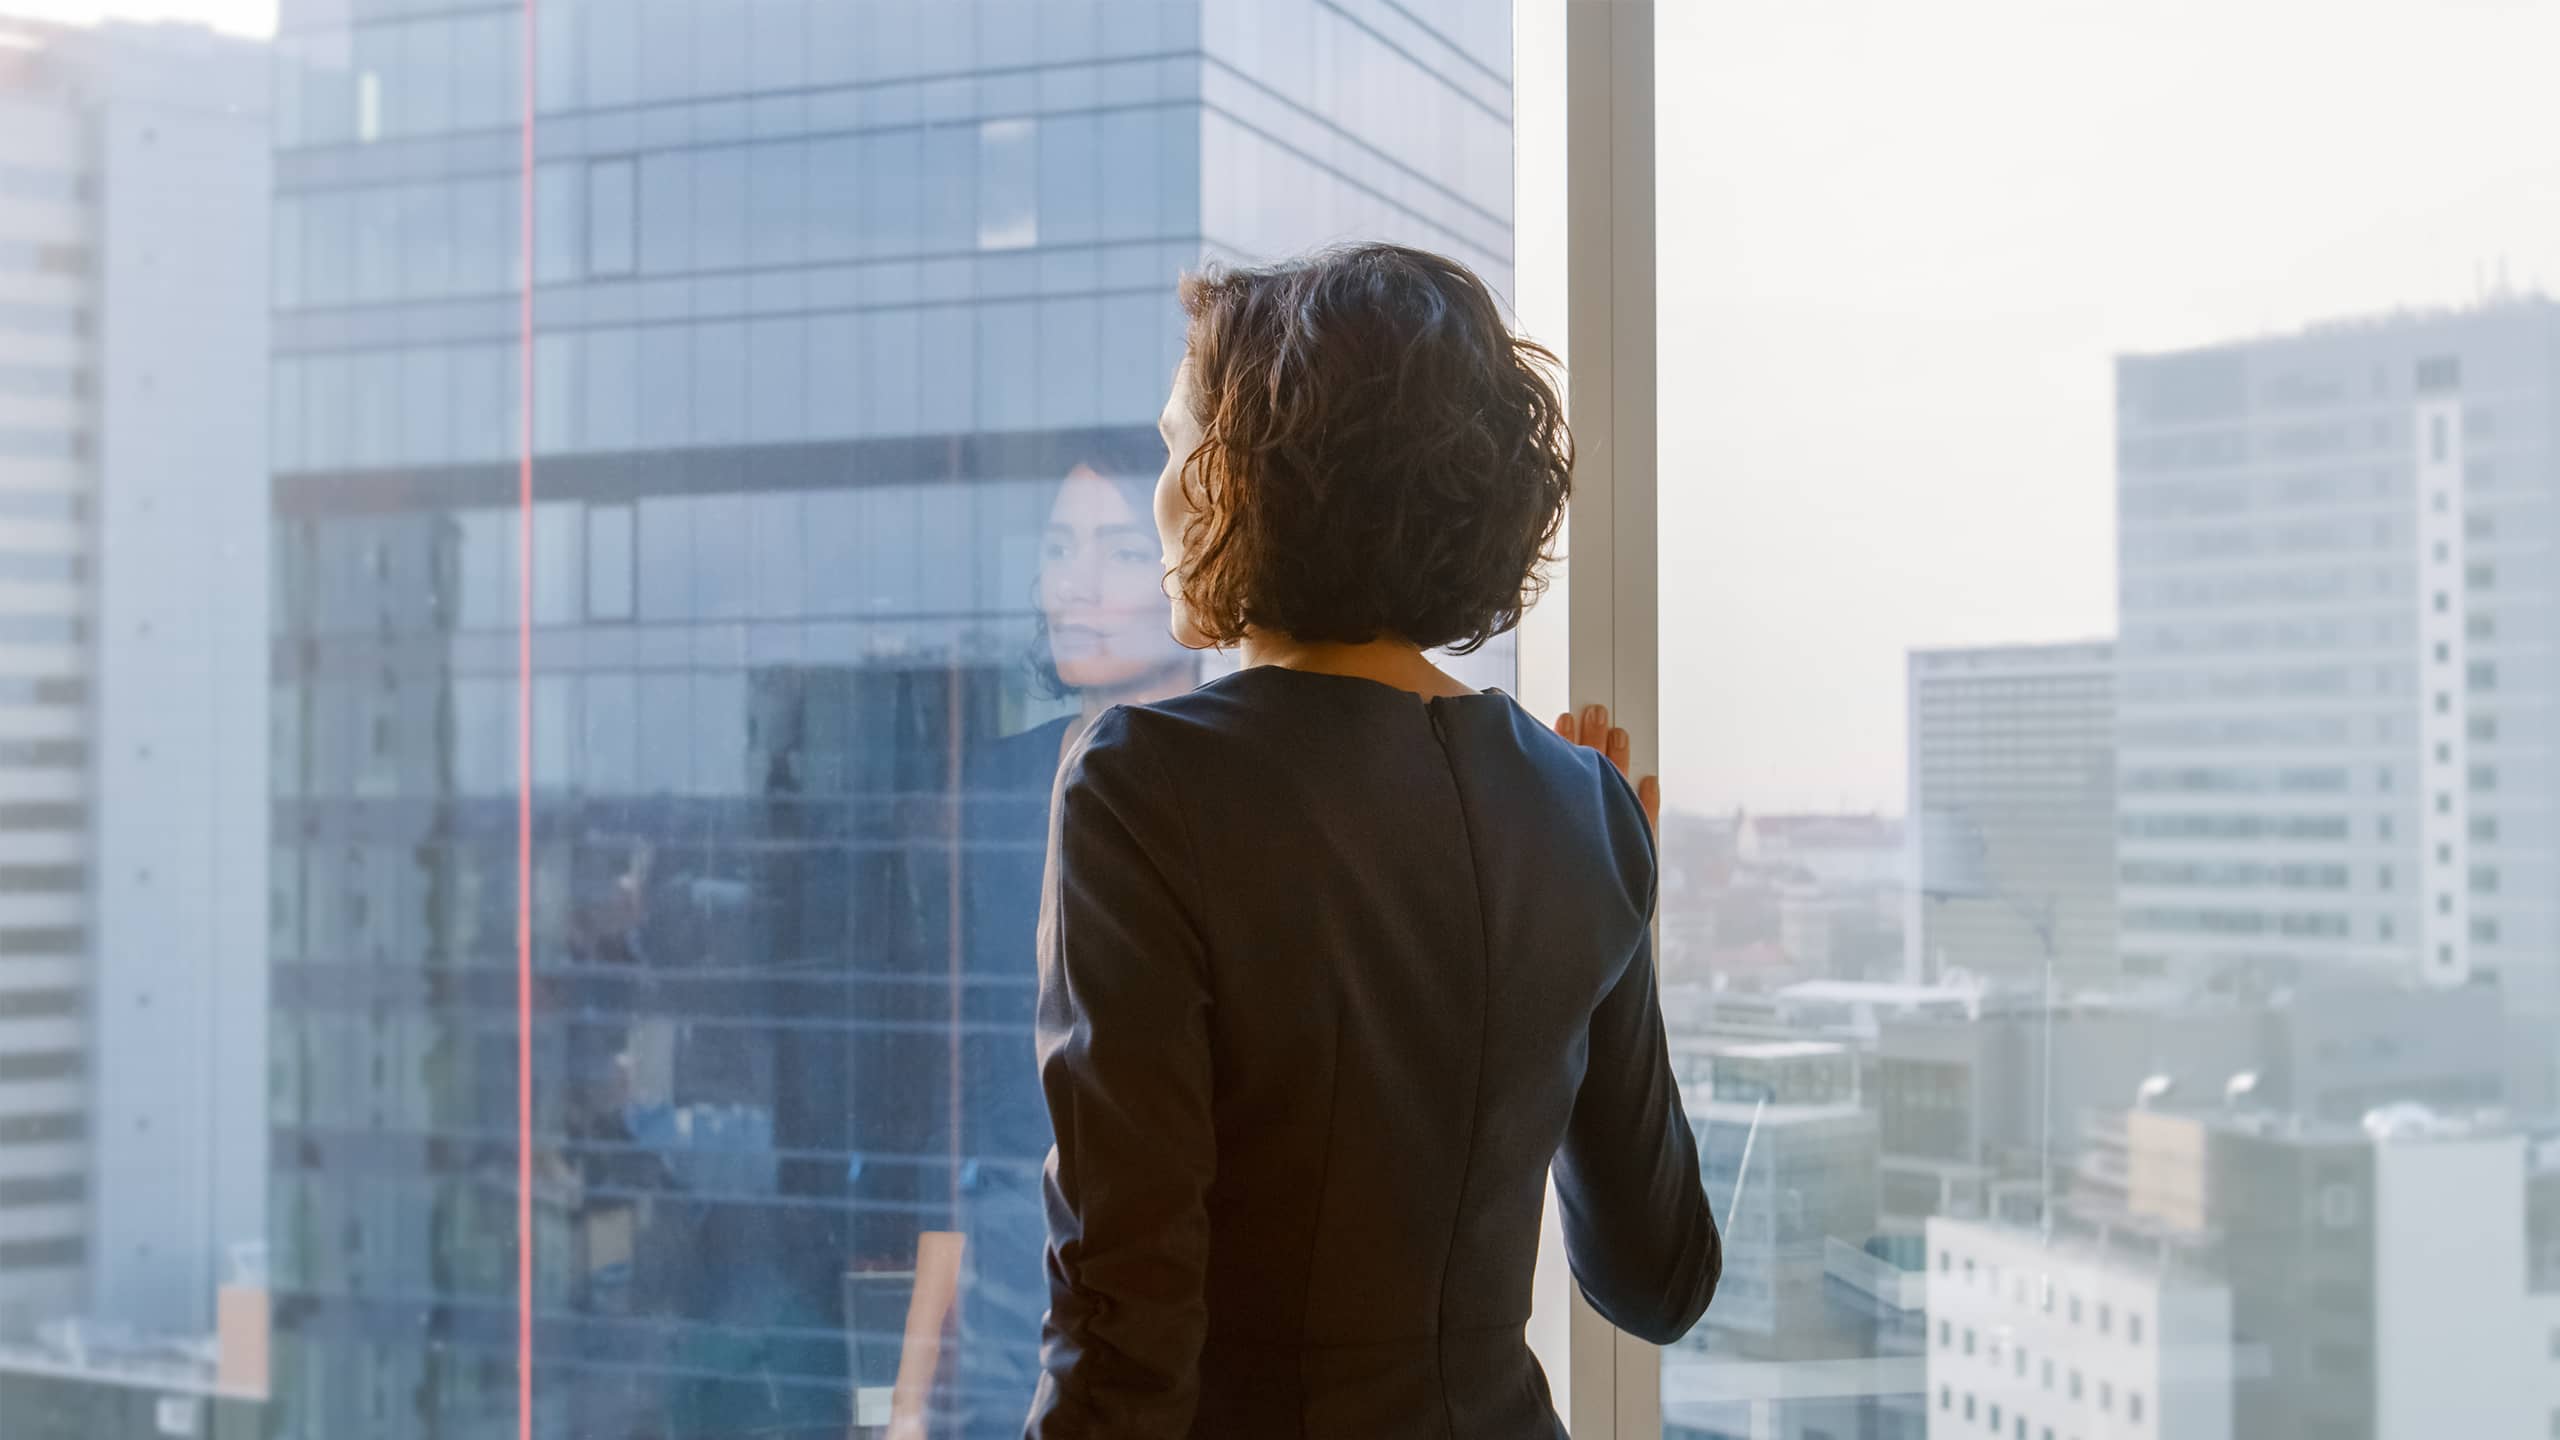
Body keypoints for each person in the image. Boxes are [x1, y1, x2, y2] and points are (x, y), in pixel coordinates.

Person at [1026, 243, 1721, 1439]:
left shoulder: (1144, 784)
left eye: (1175, 446)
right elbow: (1658, 1280)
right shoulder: (1587, 810)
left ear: (1249, 481)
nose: (1161, 497)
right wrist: (1608, 889)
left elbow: (1121, 1319)